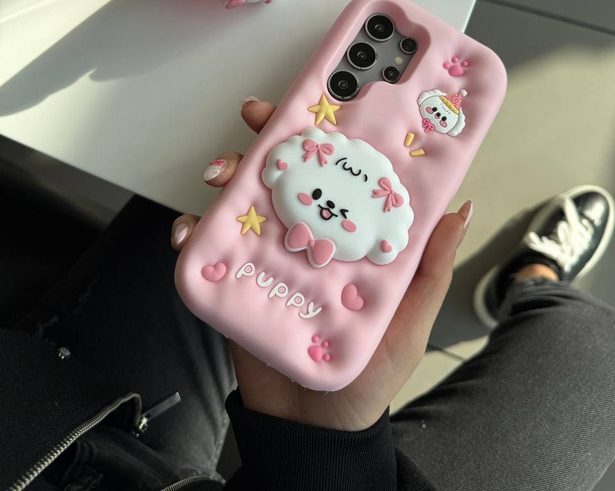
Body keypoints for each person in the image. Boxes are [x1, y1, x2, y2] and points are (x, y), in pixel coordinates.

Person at [2, 98, 614, 491]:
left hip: (58, 413)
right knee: (598, 355)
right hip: (105, 442)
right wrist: (319, 447)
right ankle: (535, 281)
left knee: (217, 186)